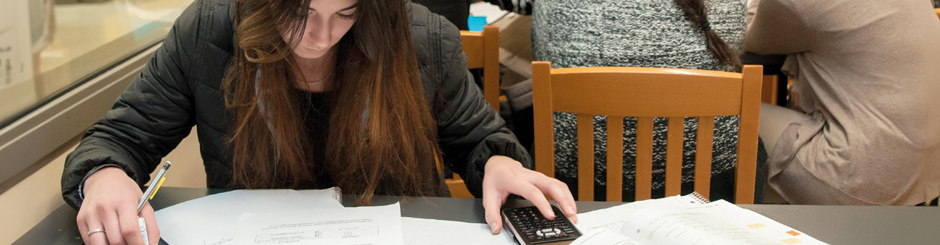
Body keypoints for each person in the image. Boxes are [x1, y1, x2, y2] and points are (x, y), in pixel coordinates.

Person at [61, 0, 577, 244]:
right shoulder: (208, 33)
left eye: (345, 14)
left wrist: (500, 163)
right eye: (298, 11)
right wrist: (104, 175)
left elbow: (483, 140)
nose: (319, 37)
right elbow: (118, 138)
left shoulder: (422, 38)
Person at [532, 0, 765, 202]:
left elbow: (539, 50)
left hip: (576, 192)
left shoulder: (554, 7)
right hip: (716, 191)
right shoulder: (727, 6)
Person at [747, 0, 940, 205]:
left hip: (860, 177)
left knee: (726, 118)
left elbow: (746, 36)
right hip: (925, 173)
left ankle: (730, 218)